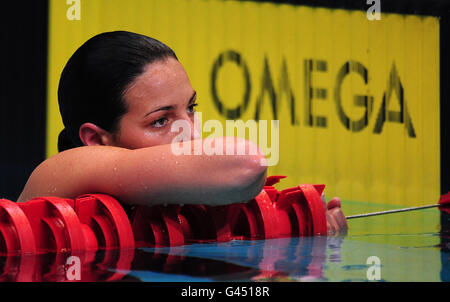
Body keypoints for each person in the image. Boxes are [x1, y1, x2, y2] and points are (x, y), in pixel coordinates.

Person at [17, 31, 347, 234]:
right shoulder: (68, 169)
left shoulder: (169, 201)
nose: (189, 133)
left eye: (191, 107)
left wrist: (303, 225)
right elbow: (246, 164)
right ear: (96, 139)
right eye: (161, 121)